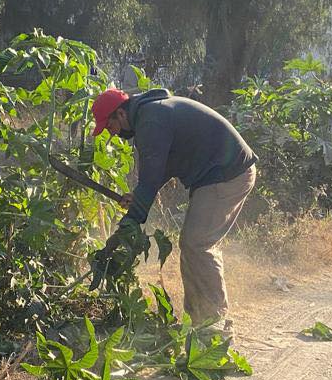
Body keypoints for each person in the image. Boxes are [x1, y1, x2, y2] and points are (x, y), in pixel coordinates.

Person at [91, 87, 257, 332]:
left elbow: (151, 176)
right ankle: (198, 322)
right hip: (218, 174)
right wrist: (137, 198)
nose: (112, 133)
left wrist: (130, 221)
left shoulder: (151, 120)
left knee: (197, 243)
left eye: (110, 126)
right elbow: (162, 168)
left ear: (121, 114)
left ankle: (214, 324)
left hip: (227, 174)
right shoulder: (151, 114)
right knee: (192, 244)